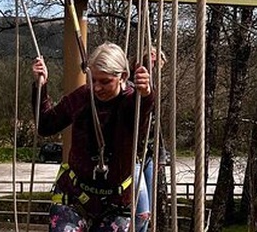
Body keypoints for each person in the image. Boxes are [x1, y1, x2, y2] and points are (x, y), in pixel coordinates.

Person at [32, 42, 154, 232]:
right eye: (93, 80)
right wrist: (41, 86)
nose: (97, 88)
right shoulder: (82, 98)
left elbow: (142, 115)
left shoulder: (132, 101)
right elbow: (45, 125)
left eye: (105, 81)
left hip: (116, 202)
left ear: (122, 76)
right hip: (74, 194)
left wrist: (146, 94)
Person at [130, 49, 167, 232]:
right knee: (141, 213)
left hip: (149, 155)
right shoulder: (132, 84)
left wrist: (161, 154)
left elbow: (155, 125)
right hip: (133, 155)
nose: (157, 60)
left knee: (148, 213)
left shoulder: (154, 88)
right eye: (153, 56)